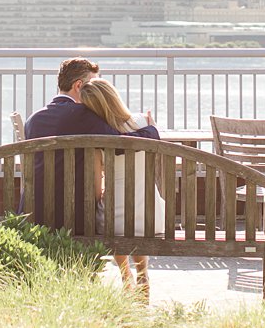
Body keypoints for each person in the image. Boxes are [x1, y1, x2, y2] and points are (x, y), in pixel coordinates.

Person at [22, 57, 158, 234]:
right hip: (72, 216)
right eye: (92, 85)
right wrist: (152, 131)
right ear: (79, 86)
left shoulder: (33, 119)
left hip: (32, 212)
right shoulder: (85, 116)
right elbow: (120, 144)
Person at [78, 77, 165, 296]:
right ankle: (143, 273)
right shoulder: (144, 123)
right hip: (152, 218)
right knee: (136, 209)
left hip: (113, 224)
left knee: (112, 210)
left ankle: (126, 276)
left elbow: (97, 187)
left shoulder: (99, 136)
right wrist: (152, 127)